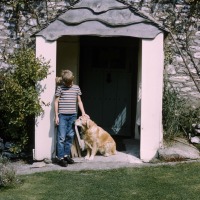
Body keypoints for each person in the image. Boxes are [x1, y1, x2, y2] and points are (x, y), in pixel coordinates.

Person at [54, 69, 88, 167]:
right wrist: (57, 116)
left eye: (71, 82)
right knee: (61, 138)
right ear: (64, 81)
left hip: (73, 115)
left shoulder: (76, 88)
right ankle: (60, 158)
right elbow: (56, 102)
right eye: (68, 83)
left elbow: (79, 101)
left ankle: (66, 155)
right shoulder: (60, 88)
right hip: (63, 116)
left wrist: (83, 113)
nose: (70, 84)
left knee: (70, 136)